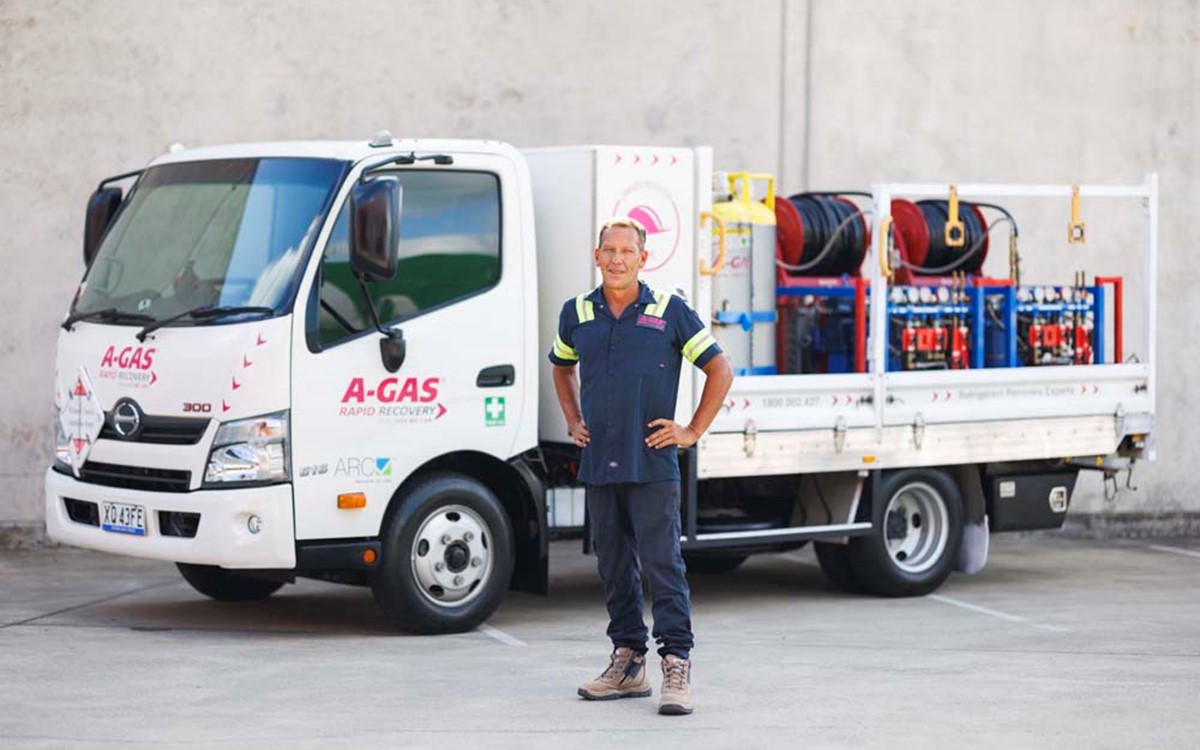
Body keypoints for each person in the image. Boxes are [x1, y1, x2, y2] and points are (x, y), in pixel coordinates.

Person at [548, 216, 734, 716]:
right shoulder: (578, 313)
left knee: (662, 565)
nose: (616, 259)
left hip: (651, 463)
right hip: (600, 461)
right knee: (613, 566)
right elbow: (561, 366)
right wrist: (572, 416)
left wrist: (692, 430)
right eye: (608, 250)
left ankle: (677, 662)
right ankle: (628, 663)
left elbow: (720, 368)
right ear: (596, 255)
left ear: (642, 258)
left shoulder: (669, 311)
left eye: (627, 251)